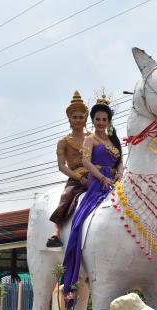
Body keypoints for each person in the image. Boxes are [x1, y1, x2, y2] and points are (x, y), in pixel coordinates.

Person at [63, 95, 123, 298]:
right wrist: (101, 178)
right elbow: (86, 163)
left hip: (115, 182)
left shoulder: (114, 140)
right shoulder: (90, 139)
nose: (101, 123)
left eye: (104, 120)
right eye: (97, 119)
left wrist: (119, 174)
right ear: (93, 120)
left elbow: (120, 161)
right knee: (82, 218)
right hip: (97, 183)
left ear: (108, 122)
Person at [46, 91, 90, 248]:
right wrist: (79, 178)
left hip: (95, 174)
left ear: (85, 119)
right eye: (75, 117)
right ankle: (55, 232)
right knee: (65, 196)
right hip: (76, 177)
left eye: (81, 117)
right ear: (69, 119)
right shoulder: (63, 142)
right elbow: (61, 166)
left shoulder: (93, 138)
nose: (78, 120)